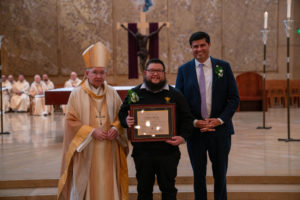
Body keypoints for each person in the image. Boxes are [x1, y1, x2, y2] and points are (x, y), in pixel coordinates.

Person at [57, 41, 129, 200]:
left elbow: (121, 116)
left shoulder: (112, 93)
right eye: (95, 72)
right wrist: (91, 132)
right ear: (87, 73)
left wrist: (116, 129)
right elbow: (70, 121)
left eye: (102, 72)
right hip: (87, 149)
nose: (98, 76)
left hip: (110, 148)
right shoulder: (76, 94)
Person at [175, 31, 240, 200]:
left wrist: (219, 120)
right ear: (191, 48)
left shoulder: (223, 67)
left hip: (220, 131)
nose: (199, 49)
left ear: (209, 45)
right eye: (195, 46)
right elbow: (179, 103)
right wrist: (195, 122)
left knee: (220, 175)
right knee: (198, 175)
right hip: (196, 132)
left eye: (202, 45)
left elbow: (234, 98)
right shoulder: (184, 70)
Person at [118, 58, 193, 200]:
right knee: (144, 191)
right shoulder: (134, 93)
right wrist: (126, 120)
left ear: (164, 74)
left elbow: (187, 119)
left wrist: (183, 137)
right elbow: (122, 113)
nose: (155, 74)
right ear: (145, 73)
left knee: (169, 190)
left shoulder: (175, 94)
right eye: (152, 70)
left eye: (159, 71)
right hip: (143, 153)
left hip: (168, 153)